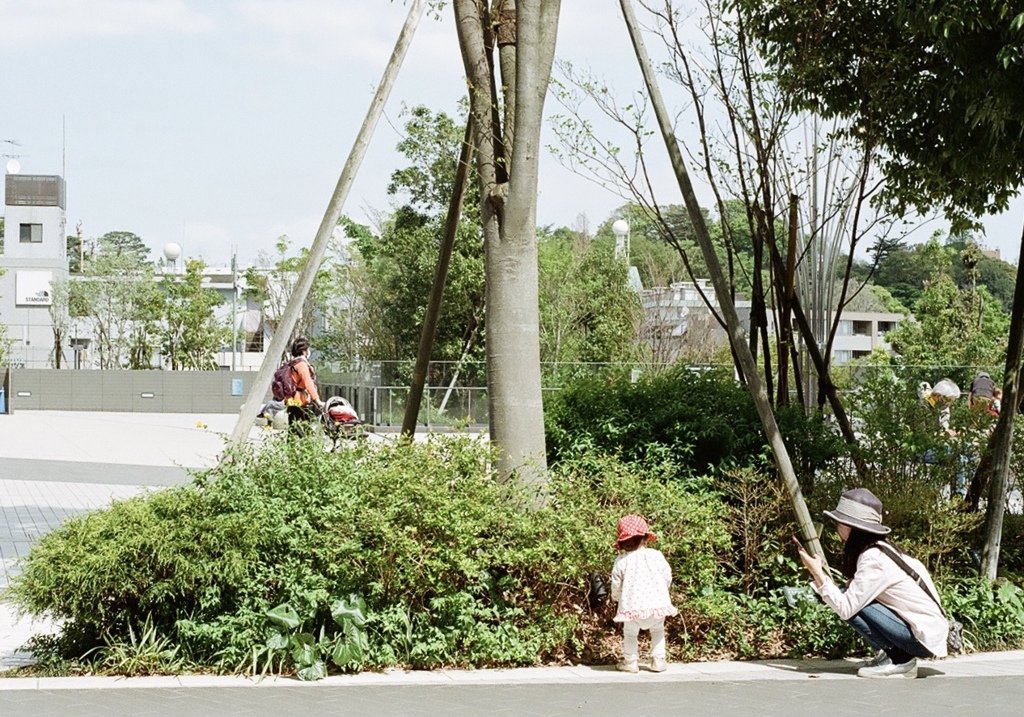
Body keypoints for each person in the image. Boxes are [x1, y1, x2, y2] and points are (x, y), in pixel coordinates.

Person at [796, 488, 948, 679]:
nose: (837, 528)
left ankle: (902, 660)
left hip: (921, 640)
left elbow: (846, 608)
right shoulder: (880, 550)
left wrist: (816, 572)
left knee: (847, 600)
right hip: (925, 632)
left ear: (852, 527)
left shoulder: (874, 559)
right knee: (848, 592)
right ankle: (889, 656)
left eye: (839, 523)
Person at [610, 514, 677, 673]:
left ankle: (631, 662)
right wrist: (663, 591)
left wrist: (617, 598)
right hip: (657, 606)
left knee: (630, 634)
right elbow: (667, 575)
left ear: (622, 542)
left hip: (632, 607)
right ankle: (658, 660)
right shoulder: (656, 555)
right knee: (658, 630)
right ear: (645, 537)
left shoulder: (621, 561)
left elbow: (616, 584)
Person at [285, 337, 323, 435]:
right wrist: (317, 400)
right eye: (307, 349)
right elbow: (308, 383)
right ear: (303, 351)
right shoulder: (301, 364)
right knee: (304, 432)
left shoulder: (292, 363)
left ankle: (290, 450)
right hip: (299, 401)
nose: (308, 351)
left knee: (293, 430)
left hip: (291, 399)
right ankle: (306, 449)